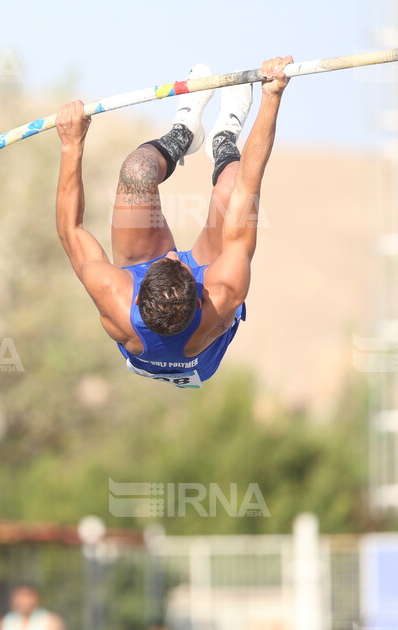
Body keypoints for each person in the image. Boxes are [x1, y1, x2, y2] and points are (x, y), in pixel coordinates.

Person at [53, 57, 292, 389]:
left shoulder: (114, 297)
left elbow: (70, 229)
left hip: (166, 315)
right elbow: (249, 186)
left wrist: (71, 143)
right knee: (232, 185)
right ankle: (223, 140)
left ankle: (184, 131)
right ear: (199, 295)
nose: (175, 253)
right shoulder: (222, 296)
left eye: (171, 258)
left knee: (137, 170)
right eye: (180, 262)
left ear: (136, 295)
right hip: (201, 344)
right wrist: (272, 97)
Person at [0, 584, 68, 630]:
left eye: (29, 596)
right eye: (21, 596)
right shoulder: (5, 622)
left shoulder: (51, 621)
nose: (25, 601)